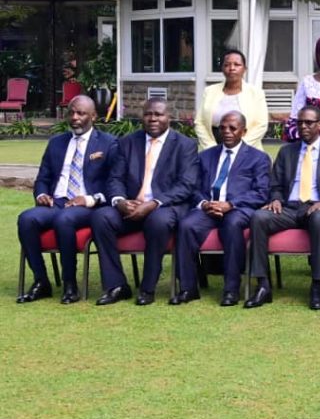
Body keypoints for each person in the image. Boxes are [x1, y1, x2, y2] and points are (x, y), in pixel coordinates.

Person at [91, 98, 199, 306]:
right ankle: (117, 285)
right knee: (101, 217)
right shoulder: (128, 142)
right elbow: (115, 178)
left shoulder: (185, 146)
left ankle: (147, 288)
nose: (153, 119)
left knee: (157, 222)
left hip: (166, 206)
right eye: (148, 114)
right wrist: (119, 200)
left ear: (170, 117)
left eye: (158, 114)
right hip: (130, 206)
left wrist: (155, 203)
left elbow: (186, 185)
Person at [16, 95, 119, 304]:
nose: (74, 117)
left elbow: (115, 182)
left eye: (80, 113)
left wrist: (90, 199)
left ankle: (70, 284)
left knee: (65, 219)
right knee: (26, 219)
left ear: (93, 116)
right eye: (71, 112)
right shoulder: (56, 143)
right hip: (57, 202)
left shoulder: (109, 143)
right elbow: (43, 178)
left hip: (89, 205)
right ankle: (41, 281)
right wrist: (42, 194)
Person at [245, 105, 320, 311]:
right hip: (288, 208)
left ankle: (317, 285)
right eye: (299, 123)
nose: (303, 127)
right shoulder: (286, 151)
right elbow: (275, 184)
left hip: (317, 207)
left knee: (319, 219)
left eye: (309, 123)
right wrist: (275, 199)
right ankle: (263, 285)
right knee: (259, 217)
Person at [171, 112, 271, 307]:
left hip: (238, 209)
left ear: (243, 131)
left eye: (232, 128)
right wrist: (204, 204)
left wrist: (230, 204)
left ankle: (231, 290)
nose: (226, 131)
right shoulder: (206, 156)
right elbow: (193, 187)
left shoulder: (258, 158)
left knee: (232, 224)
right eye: (222, 127)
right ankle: (188, 288)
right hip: (208, 208)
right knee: (186, 225)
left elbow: (261, 193)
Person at [195, 49, 268, 151]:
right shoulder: (209, 91)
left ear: (244, 69)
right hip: (213, 146)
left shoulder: (256, 93)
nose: (232, 68)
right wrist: (210, 147)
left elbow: (261, 125)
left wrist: (239, 148)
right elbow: (200, 122)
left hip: (247, 151)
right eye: (227, 65)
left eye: (237, 64)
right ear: (222, 69)